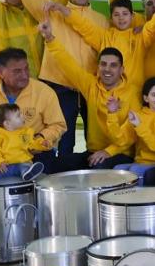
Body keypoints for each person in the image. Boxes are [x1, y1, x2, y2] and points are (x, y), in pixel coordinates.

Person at [15, 0, 107, 156]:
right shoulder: (52, 11)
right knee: (60, 138)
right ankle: (58, 178)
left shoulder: (101, 20)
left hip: (90, 85)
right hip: (57, 85)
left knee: (96, 138)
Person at [39, 18, 137, 171]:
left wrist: (108, 151)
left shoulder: (132, 92)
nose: (107, 69)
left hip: (120, 153)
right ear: (98, 67)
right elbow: (67, 63)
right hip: (93, 153)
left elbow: (131, 136)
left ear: (122, 69)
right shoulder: (91, 84)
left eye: (113, 65)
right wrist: (50, 38)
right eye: (103, 64)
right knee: (55, 165)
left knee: (99, 166)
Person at [0, 47, 66, 172]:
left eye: (26, 68)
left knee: (39, 175)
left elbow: (58, 125)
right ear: (0, 72)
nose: (24, 75)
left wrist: (40, 139)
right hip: (0, 151)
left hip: (34, 150)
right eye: (17, 71)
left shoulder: (44, 92)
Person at [117, 78, 155, 185]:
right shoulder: (138, 115)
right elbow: (121, 140)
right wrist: (112, 114)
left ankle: (140, 201)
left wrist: (139, 126)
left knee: (136, 171)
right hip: (140, 162)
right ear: (146, 98)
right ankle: (121, 201)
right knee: (118, 169)